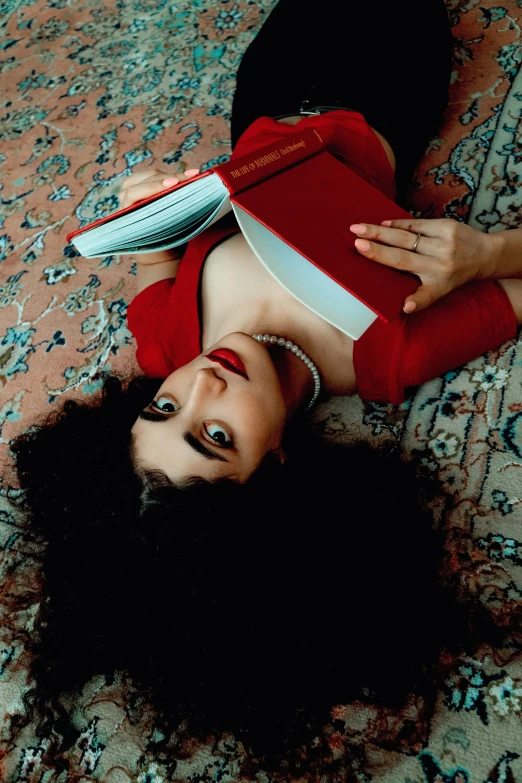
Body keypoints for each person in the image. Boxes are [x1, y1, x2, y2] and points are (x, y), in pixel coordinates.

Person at [10, 0, 522, 775]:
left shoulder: (170, 346)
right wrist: (486, 256)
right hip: (386, 83)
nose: (203, 385)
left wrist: (148, 208)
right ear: (276, 467)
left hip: (267, 92)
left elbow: (156, 267)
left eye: (165, 407)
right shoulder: (386, 350)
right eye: (217, 437)